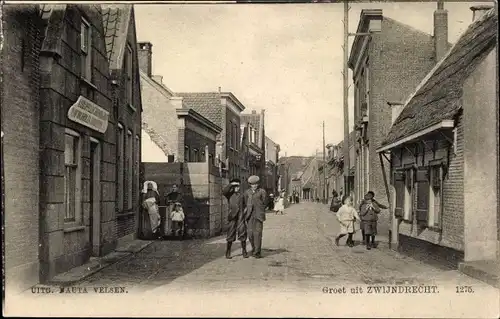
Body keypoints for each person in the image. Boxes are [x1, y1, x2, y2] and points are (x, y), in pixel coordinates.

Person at [223, 178, 248, 259]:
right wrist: (231, 184)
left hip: (240, 216)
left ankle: (244, 251)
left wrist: (244, 212)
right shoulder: (229, 194)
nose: (237, 188)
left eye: (238, 186)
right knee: (230, 234)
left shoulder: (242, 195)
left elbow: (246, 204)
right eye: (235, 186)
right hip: (232, 216)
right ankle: (228, 252)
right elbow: (224, 191)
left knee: (242, 232)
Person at [244, 175, 267, 258]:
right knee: (250, 234)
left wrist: (260, 210)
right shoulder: (247, 192)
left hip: (258, 216)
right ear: (250, 184)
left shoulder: (262, 192)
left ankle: (257, 252)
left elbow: (265, 203)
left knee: (257, 234)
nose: (255, 185)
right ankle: (254, 249)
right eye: (253, 184)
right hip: (250, 216)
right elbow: (245, 203)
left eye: (256, 184)